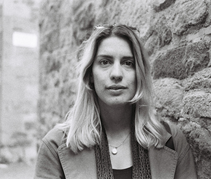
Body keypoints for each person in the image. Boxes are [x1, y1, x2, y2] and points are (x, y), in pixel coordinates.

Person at [34, 24, 197, 179]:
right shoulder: (55, 145)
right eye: (105, 62)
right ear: (90, 74)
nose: (117, 74)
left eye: (128, 63)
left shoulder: (172, 141)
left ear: (139, 73)